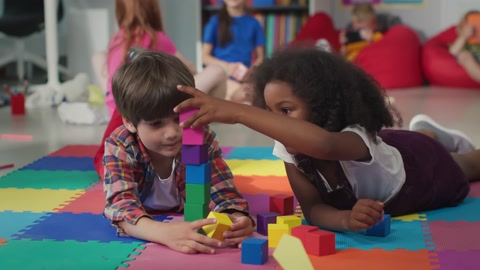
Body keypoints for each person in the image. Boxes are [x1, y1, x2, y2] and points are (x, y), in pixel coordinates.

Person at [174, 48, 480, 234]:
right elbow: (313, 208)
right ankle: (428, 133)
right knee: (414, 142)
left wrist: (238, 112)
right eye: (268, 112)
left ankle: (436, 139)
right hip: (394, 153)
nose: (275, 121)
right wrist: (345, 219)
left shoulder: (349, 139)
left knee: (465, 165)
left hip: (420, 169)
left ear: (321, 108)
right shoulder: (288, 150)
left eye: (286, 111)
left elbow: (323, 146)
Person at [103, 50, 254, 254]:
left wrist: (235, 217)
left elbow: (223, 191)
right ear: (129, 122)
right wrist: (163, 232)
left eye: (179, 118)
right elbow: (120, 208)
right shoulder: (120, 145)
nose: (172, 133)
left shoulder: (201, 138)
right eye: (156, 124)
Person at [99, 0, 228, 117]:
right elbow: (189, 70)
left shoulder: (116, 39)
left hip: (117, 109)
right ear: (153, 10)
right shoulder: (157, 38)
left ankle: (108, 97)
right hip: (149, 105)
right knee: (217, 71)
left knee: (98, 57)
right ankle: (213, 116)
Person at [202, 0, 266, 102]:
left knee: (253, 96)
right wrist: (228, 67)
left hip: (245, 80)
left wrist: (251, 71)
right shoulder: (214, 22)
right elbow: (205, 57)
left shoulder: (254, 23)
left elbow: (261, 57)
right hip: (221, 77)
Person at [449, 10, 480, 82]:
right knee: (464, 55)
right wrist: (463, 36)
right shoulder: (462, 42)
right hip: (470, 59)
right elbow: (452, 53)